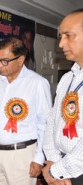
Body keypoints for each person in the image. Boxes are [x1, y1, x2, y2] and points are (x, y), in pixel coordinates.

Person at [0, 37, 52, 185]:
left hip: (21, 155)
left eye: (5, 61)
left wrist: (39, 158)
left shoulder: (38, 83)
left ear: (20, 59)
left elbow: (45, 124)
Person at [42, 9, 83, 185]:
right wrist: (52, 159)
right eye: (61, 36)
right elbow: (53, 120)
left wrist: (56, 170)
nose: (60, 44)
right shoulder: (67, 78)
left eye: (68, 35)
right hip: (61, 166)